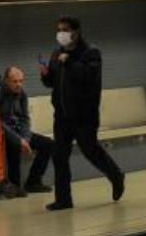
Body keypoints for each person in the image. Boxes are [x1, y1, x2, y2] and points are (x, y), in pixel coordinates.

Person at [40, 15, 125, 211]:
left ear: (75, 32)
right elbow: (52, 82)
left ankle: (116, 175)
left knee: (90, 151)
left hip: (84, 115)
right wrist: (45, 75)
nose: (61, 34)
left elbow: (89, 77)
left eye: (65, 30)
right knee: (59, 156)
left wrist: (69, 62)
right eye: (58, 29)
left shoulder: (91, 52)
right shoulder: (56, 53)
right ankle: (63, 199)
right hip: (62, 114)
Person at [0, 66, 54, 197]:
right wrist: (19, 140)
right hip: (2, 134)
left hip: (20, 132)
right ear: (6, 81)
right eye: (15, 81)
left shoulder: (22, 94)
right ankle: (14, 185)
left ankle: (33, 182)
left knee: (48, 144)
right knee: (15, 145)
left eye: (21, 81)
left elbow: (25, 119)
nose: (18, 84)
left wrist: (25, 139)